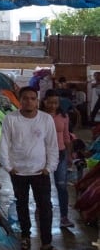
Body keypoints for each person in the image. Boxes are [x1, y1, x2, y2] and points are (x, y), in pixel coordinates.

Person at [0, 86, 61, 250]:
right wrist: (9, 167)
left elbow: (52, 146)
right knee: (22, 204)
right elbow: (4, 144)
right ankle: (25, 236)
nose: (29, 101)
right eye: (25, 98)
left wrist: (49, 168)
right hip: (18, 172)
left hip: (40, 172)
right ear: (20, 100)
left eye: (33, 98)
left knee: (45, 207)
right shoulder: (10, 119)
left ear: (37, 101)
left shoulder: (46, 119)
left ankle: (47, 243)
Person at [42, 89, 74, 228]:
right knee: (43, 186)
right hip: (42, 155)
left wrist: (69, 155)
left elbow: (67, 137)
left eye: (55, 103)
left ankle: (64, 217)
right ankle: (43, 210)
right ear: (44, 101)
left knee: (61, 185)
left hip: (60, 154)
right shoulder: (38, 116)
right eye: (50, 102)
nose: (53, 105)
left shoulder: (63, 116)